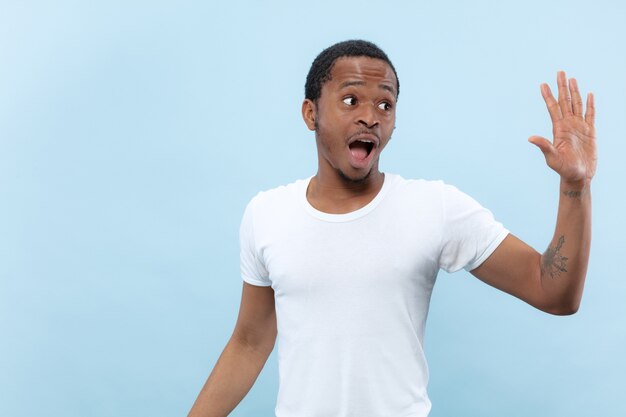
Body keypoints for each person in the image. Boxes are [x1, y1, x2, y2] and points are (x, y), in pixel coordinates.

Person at [187, 40, 596, 417]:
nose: (370, 116)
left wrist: (574, 185)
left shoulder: (435, 207)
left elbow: (554, 292)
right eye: (350, 100)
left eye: (386, 105)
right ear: (311, 113)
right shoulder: (266, 213)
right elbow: (249, 342)